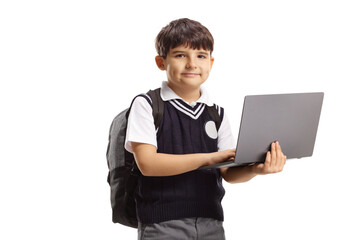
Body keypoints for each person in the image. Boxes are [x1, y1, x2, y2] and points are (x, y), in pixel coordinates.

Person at [124, 18, 287, 240]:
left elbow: (228, 171)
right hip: (161, 225)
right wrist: (210, 158)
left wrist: (256, 169)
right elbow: (148, 164)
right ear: (161, 62)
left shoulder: (217, 114)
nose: (192, 64)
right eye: (181, 55)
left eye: (200, 56)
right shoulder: (148, 104)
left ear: (211, 62)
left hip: (212, 223)